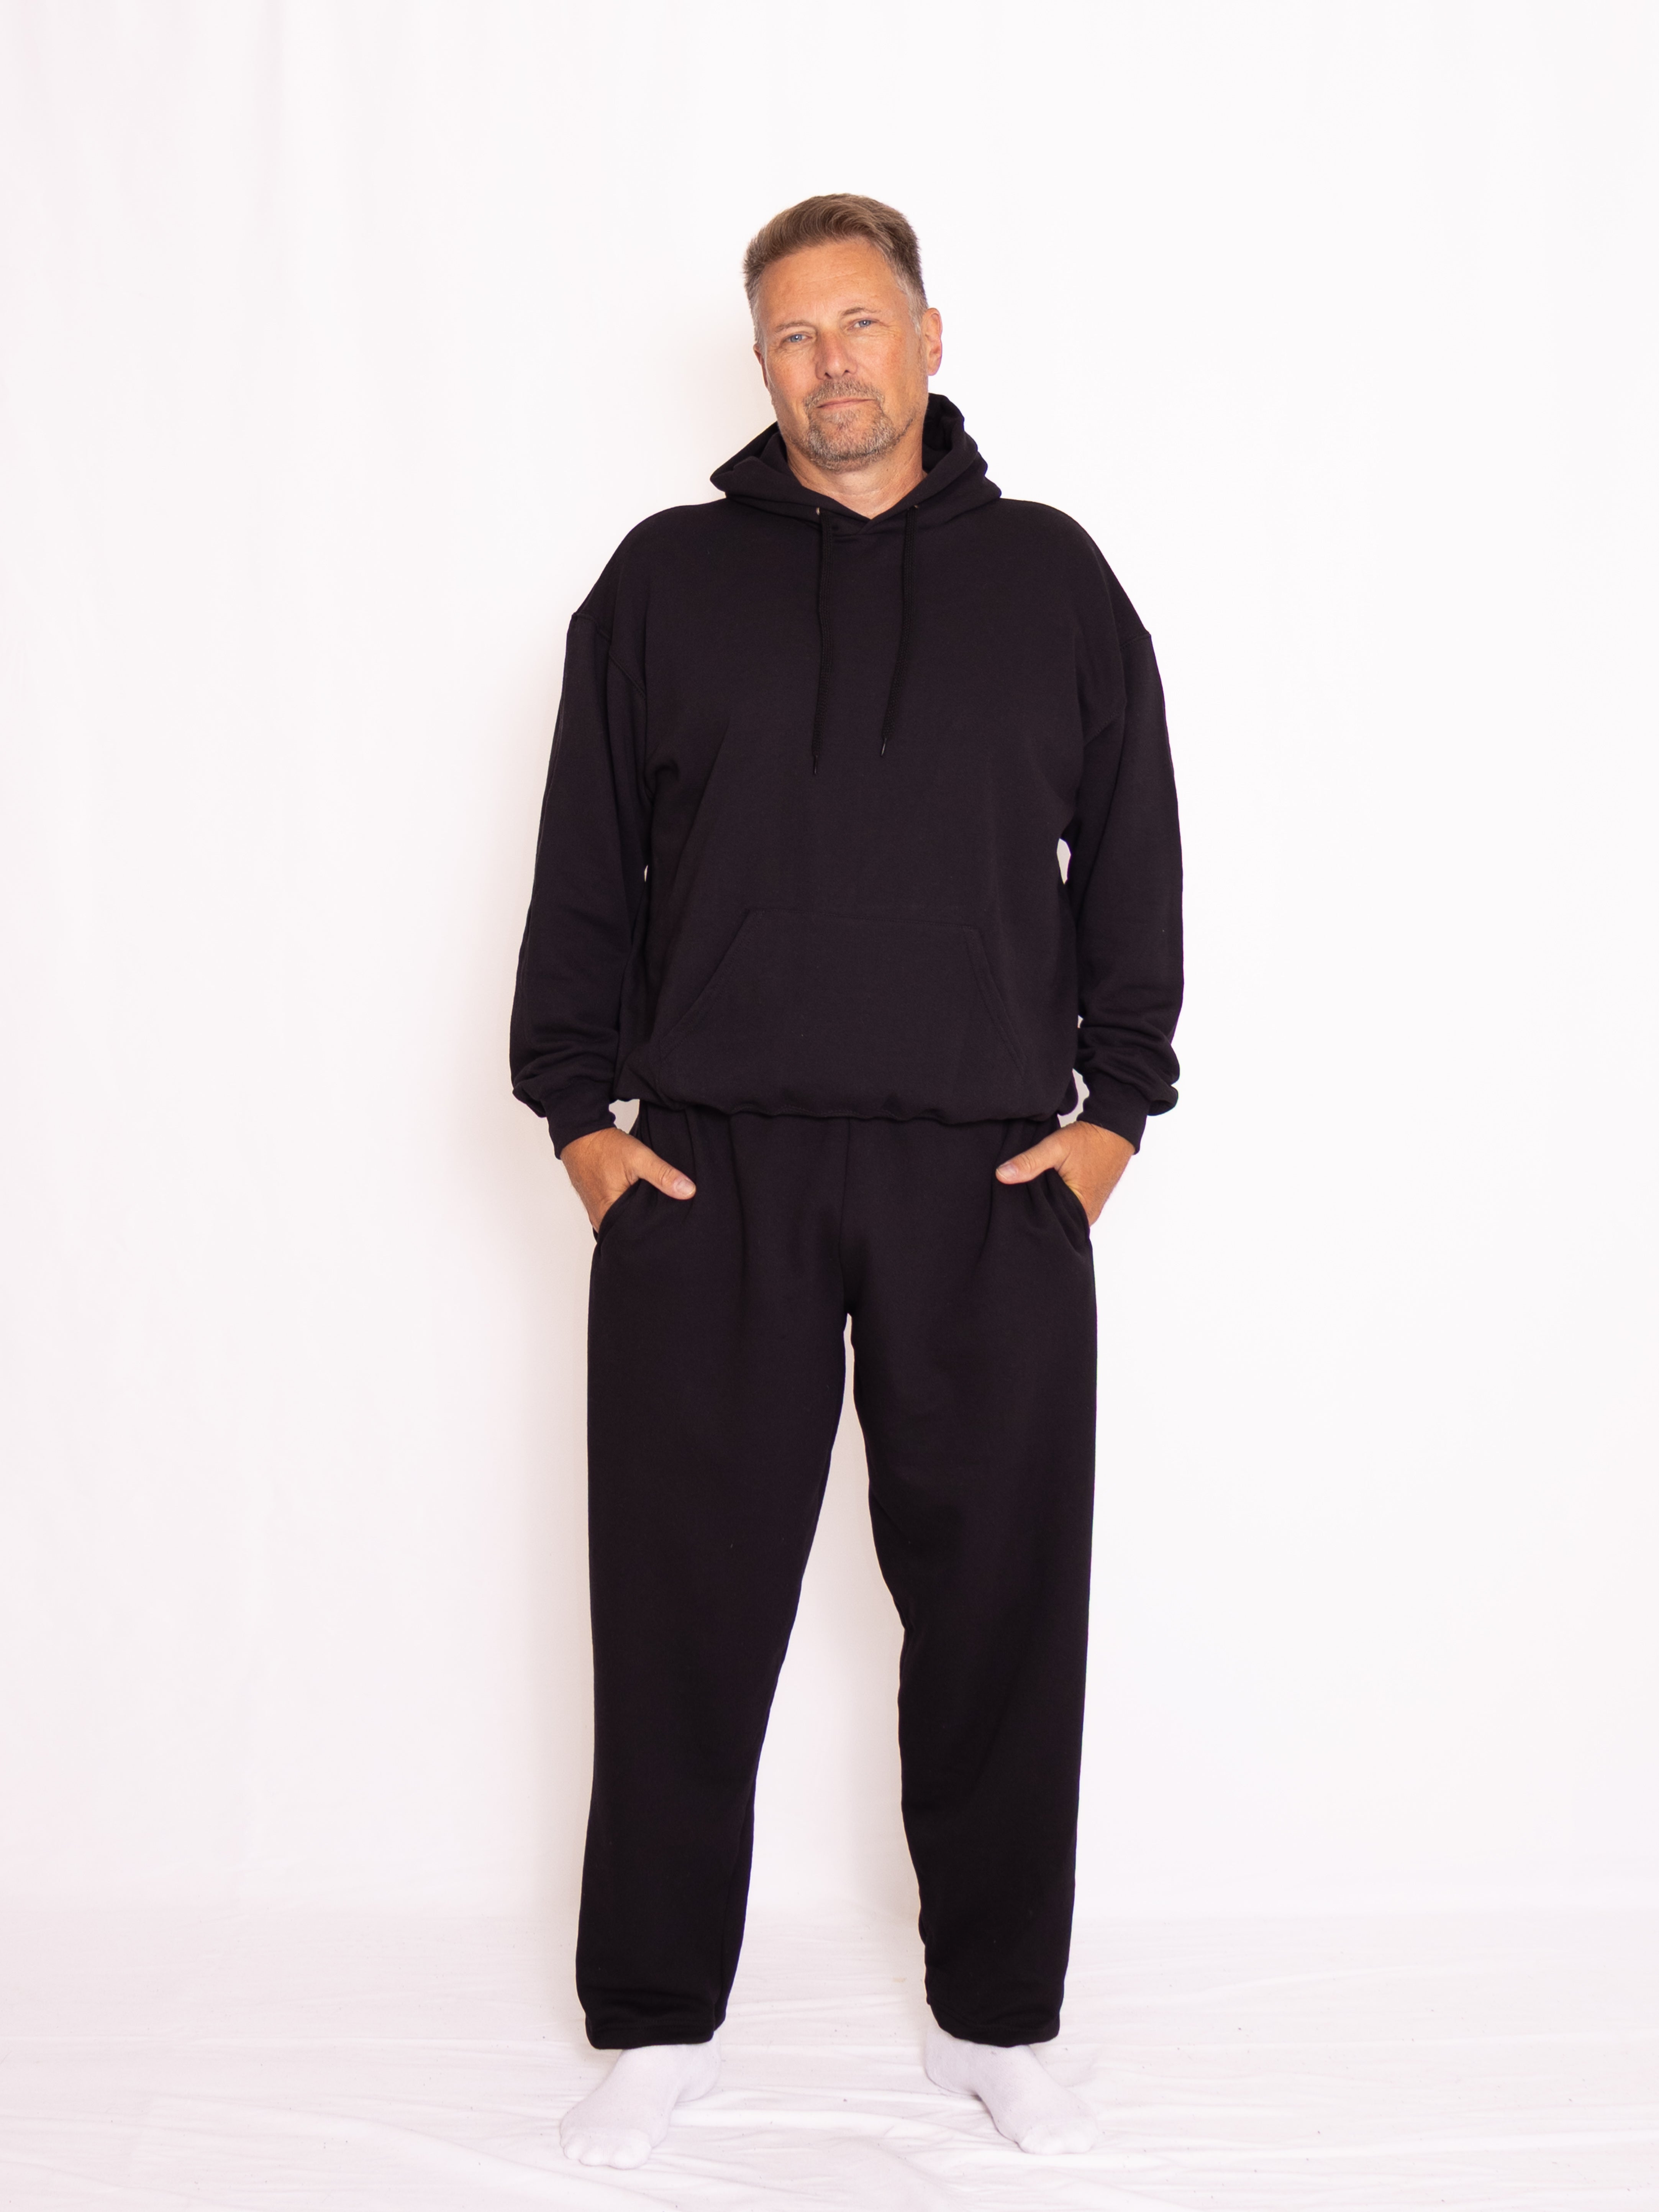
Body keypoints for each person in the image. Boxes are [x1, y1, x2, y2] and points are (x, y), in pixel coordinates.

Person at [510, 193, 1182, 2168]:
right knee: (680, 1607)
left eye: (864, 324)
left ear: (930, 337)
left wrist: (1115, 1120)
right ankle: (657, 2022)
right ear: (761, 365)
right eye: (796, 335)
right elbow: (581, 868)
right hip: (709, 1179)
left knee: (999, 1612)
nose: (834, 364)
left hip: (989, 1181)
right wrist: (582, 1127)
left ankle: (999, 2019)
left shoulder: (1055, 581)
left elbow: (1135, 854)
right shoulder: (665, 583)